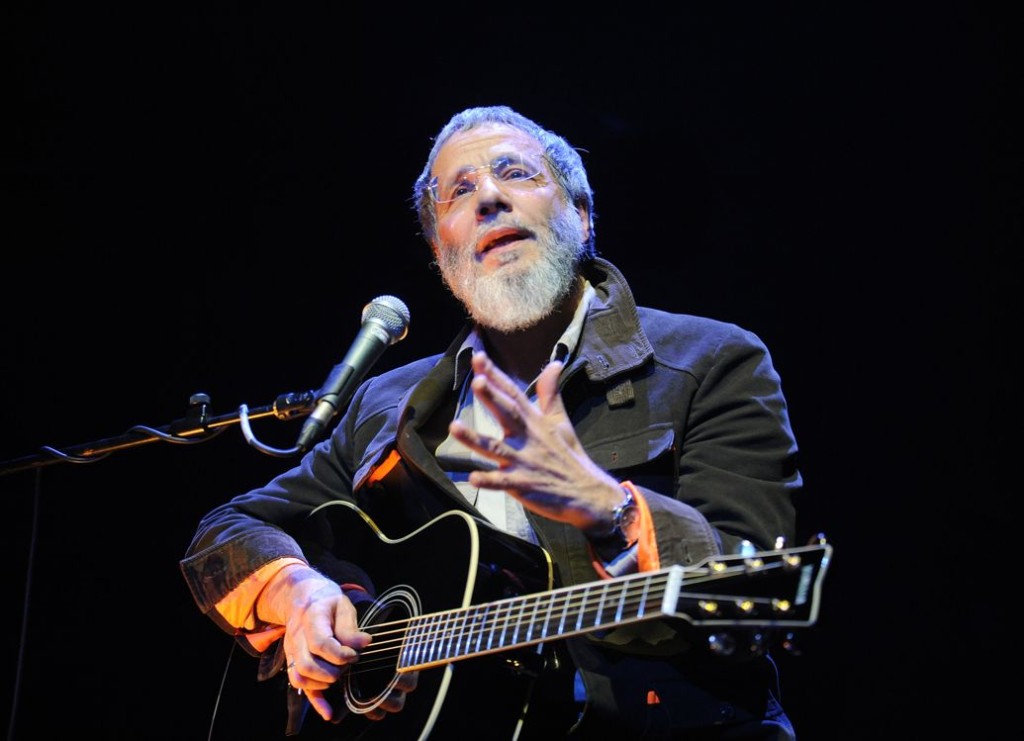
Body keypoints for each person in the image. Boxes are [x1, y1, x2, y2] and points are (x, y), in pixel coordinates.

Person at [180, 105, 805, 740]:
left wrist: (607, 509)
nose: (489, 198)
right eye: (460, 190)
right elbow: (225, 531)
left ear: (581, 216)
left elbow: (748, 598)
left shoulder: (712, 361)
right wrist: (301, 595)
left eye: (516, 173)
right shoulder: (387, 403)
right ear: (440, 248)